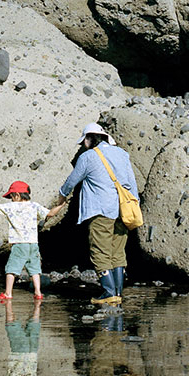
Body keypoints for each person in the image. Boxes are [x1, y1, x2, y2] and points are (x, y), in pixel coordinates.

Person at [58, 122, 139, 306]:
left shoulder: (88, 157)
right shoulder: (122, 154)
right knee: (117, 252)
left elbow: (72, 180)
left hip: (100, 210)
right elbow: (132, 183)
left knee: (100, 251)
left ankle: (109, 293)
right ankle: (118, 293)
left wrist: (61, 196)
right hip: (123, 209)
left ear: (88, 138)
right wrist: (135, 205)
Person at [0, 179, 63, 301]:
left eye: (11, 196)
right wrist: (61, 205)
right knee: (35, 270)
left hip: (20, 244)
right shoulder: (34, 205)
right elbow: (50, 214)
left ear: (17, 195)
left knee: (11, 269)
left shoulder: (12, 206)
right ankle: (38, 292)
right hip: (33, 244)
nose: (11, 199)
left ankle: (8, 293)